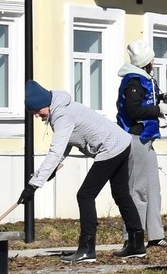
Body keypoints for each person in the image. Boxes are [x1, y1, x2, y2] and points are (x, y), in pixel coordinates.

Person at [20, 80, 144, 263]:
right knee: (121, 194)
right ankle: (136, 243)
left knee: (85, 195)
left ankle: (87, 249)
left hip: (110, 148)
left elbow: (56, 150)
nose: (37, 116)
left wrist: (33, 185)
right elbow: (65, 146)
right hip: (121, 143)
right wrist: (50, 170)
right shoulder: (62, 108)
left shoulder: (62, 115)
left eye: (37, 111)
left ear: (44, 104)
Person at [117, 39, 167, 248]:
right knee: (137, 189)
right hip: (136, 137)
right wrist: (159, 110)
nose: (154, 61)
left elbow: (148, 100)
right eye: (151, 59)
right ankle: (132, 236)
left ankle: (156, 235)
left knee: (152, 188)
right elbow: (134, 111)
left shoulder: (144, 78)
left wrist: (163, 98)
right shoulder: (133, 82)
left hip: (147, 137)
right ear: (145, 62)